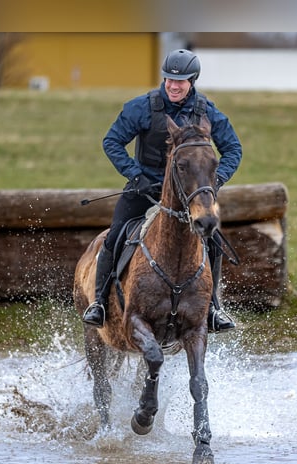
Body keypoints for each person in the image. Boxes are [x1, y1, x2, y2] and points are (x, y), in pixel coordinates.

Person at [82, 48, 243, 333]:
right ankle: (100, 304)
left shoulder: (206, 111)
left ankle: (214, 309)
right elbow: (112, 142)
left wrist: (213, 183)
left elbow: (233, 149)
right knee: (116, 234)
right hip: (145, 188)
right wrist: (135, 175)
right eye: (168, 79)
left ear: (193, 81)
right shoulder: (143, 106)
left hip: (189, 195)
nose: (173, 85)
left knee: (214, 241)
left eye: (179, 82)